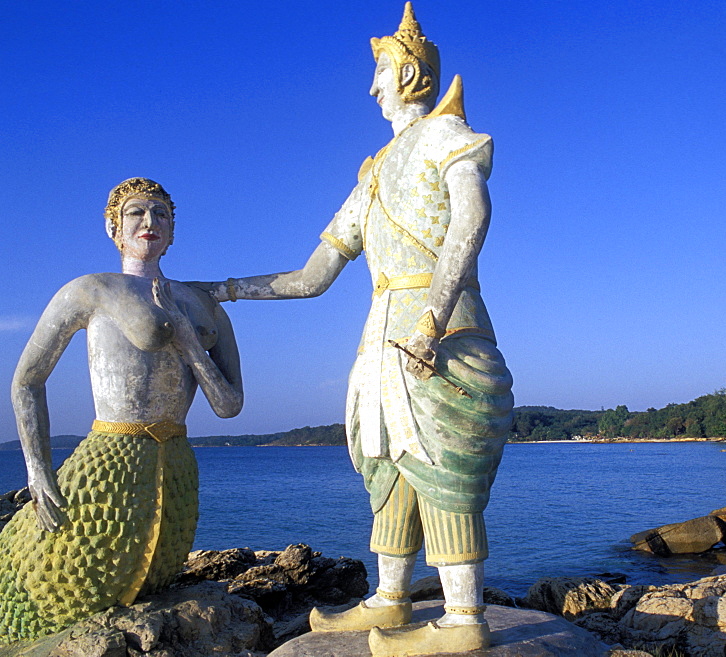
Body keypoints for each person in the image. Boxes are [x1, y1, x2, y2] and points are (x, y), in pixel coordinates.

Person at [202, 4, 512, 654]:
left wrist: (432, 318)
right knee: (385, 465)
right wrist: (223, 290)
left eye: (378, 72)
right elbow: (315, 273)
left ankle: (463, 617)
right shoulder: (371, 173)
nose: (371, 87)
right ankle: (390, 597)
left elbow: (470, 218)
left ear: (408, 73)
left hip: (441, 332)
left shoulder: (444, 133)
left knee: (442, 461)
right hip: (378, 343)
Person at [0, 178, 243, 650]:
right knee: (65, 576)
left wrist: (188, 340)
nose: (150, 222)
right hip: (110, 460)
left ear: (173, 231)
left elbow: (228, 407)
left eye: (161, 213)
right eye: (136, 213)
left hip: (178, 468)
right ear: (113, 228)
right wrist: (38, 470)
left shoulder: (202, 304)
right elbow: (26, 381)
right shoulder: (92, 290)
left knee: (153, 575)